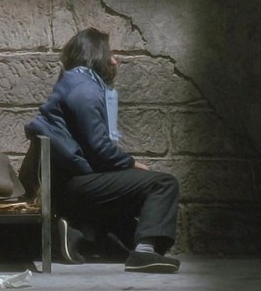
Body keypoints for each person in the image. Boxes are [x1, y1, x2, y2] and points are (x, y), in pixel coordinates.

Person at [20, 28, 181, 273]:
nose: (115, 61)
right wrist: (131, 163)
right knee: (163, 184)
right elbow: (100, 150)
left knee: (123, 239)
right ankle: (145, 252)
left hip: (67, 182)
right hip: (74, 185)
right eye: (110, 55)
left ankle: (76, 233)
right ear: (95, 55)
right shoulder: (85, 89)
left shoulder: (74, 82)